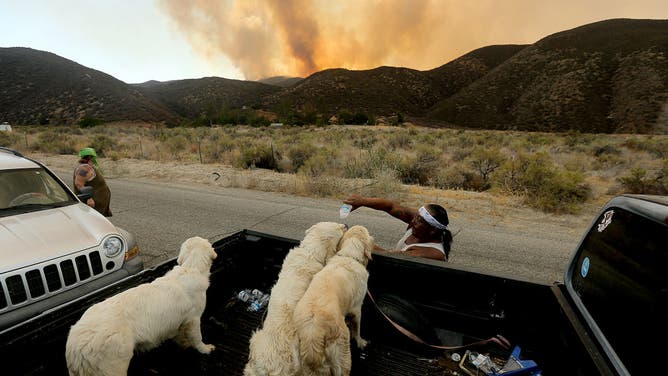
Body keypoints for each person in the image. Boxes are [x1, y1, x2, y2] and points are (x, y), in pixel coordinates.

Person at [343, 194, 452, 261]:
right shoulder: (421, 225)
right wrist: (362, 201)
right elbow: (391, 207)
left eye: (419, 220)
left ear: (433, 230)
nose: (413, 220)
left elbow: (388, 256)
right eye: (416, 216)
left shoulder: (433, 253)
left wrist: (356, 238)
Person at [73, 147, 112, 217]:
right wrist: (89, 198)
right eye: (94, 157)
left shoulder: (88, 167)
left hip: (98, 208)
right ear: (90, 157)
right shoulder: (85, 168)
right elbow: (78, 183)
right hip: (92, 208)